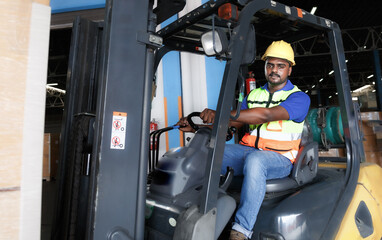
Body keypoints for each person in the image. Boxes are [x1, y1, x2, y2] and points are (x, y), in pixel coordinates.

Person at [177, 40, 310, 240]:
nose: (274, 70)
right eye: (270, 65)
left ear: (289, 70)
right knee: (206, 150)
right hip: (247, 151)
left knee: (256, 162)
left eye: (280, 66)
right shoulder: (254, 94)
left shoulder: (299, 98)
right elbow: (232, 125)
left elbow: (264, 115)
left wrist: (219, 113)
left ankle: (241, 230)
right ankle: (194, 210)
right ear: (265, 67)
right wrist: (198, 127)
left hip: (279, 158)